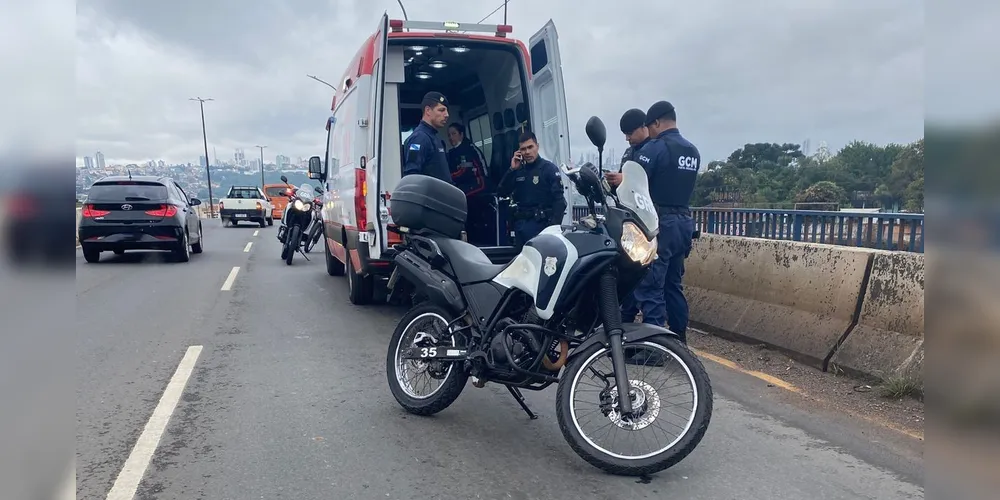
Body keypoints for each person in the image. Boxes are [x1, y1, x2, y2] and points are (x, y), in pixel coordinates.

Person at [608, 100, 700, 346]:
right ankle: (678, 340)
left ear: (657, 123)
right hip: (684, 223)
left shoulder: (656, 148)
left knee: (651, 286)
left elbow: (637, 182)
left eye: (650, 126)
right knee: (673, 284)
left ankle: (655, 346)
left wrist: (621, 180)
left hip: (661, 223)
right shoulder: (692, 151)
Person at [496, 132, 567, 246]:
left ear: (537, 146)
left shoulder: (548, 169)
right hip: (520, 228)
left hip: (541, 227)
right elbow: (501, 192)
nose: (527, 152)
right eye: (523, 149)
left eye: (530, 147)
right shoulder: (518, 170)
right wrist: (512, 169)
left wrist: (551, 231)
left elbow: (559, 202)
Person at [446, 123, 492, 245]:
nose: (451, 138)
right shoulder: (452, 152)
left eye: (454, 134)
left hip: (479, 182)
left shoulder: (467, 150)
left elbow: (464, 171)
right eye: (449, 135)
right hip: (466, 182)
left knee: (459, 198)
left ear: (461, 134)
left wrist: (447, 178)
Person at [401, 92, 454, 185]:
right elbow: (412, 176)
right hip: (430, 198)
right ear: (428, 111)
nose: (447, 115)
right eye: (442, 110)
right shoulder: (420, 138)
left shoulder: (435, 138)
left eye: (447, 111)